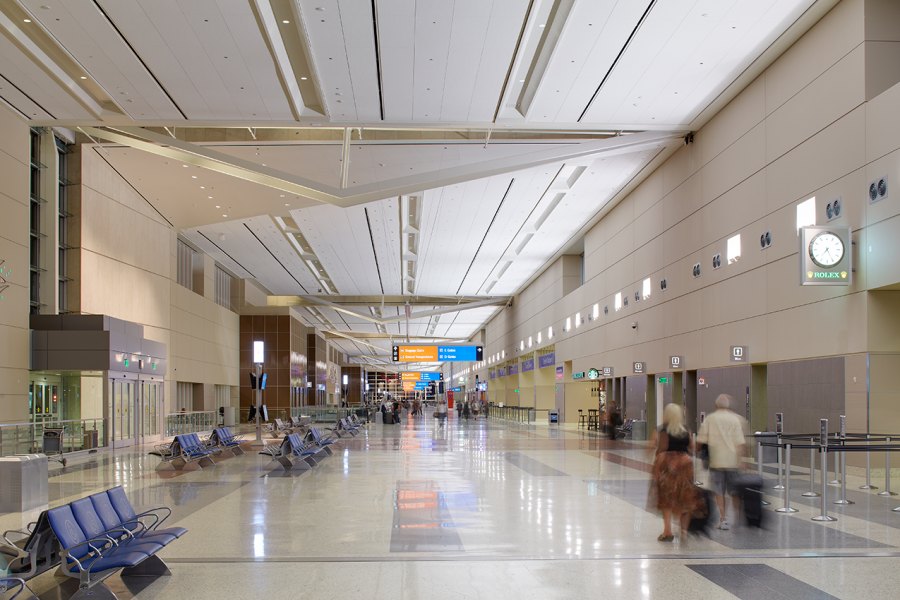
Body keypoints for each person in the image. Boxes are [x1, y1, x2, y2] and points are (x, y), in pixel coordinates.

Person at [697, 393, 748, 531]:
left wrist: (698, 452)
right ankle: (737, 518)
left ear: (716, 405)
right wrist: (742, 460)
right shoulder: (735, 419)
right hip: (733, 461)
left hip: (717, 461)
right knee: (734, 491)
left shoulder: (710, 419)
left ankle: (723, 519)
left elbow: (701, 440)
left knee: (719, 491)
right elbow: (740, 443)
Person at [650, 403, 697, 542]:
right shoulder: (686, 430)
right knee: (685, 497)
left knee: (666, 498)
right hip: (685, 465)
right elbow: (692, 447)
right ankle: (684, 531)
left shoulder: (661, 430)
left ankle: (667, 531)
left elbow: (657, 446)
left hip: (667, 465)